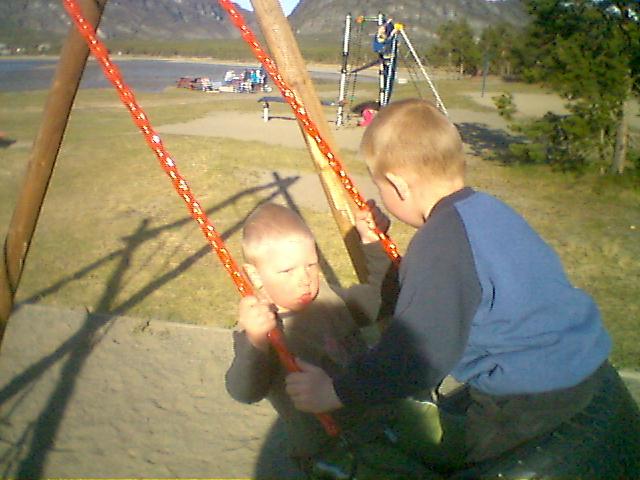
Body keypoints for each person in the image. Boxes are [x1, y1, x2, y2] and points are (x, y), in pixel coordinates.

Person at [285, 99, 638, 472]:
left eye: (380, 187)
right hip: (583, 369)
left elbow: (414, 356)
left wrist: (336, 391)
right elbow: (430, 298)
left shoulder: (439, 243)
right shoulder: (487, 210)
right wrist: (375, 245)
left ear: (398, 185)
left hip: (530, 401)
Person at [225, 202, 419, 477]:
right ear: (255, 275)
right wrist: (255, 342)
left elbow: (382, 301)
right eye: (287, 271)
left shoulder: (328, 298)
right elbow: (244, 392)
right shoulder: (263, 331)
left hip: (375, 419)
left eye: (311, 265)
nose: (304, 279)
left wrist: (373, 243)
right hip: (329, 448)